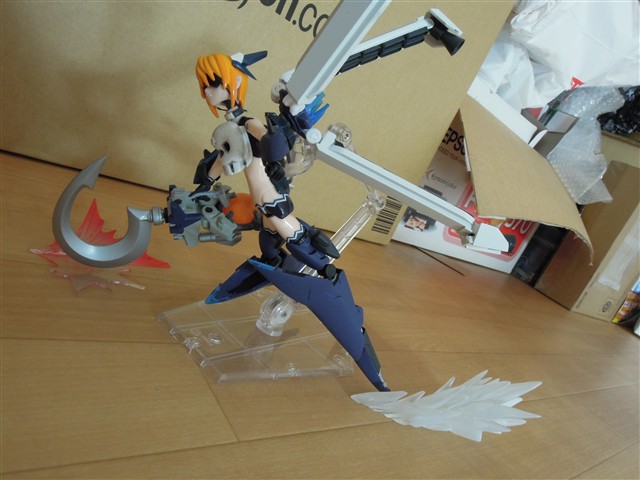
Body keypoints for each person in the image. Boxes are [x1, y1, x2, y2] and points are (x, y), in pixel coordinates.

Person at [192, 51, 388, 391]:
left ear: (231, 82)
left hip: (272, 200)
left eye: (213, 83)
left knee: (291, 235)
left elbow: (270, 143)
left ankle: (329, 281)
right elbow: (221, 161)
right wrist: (203, 188)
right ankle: (289, 272)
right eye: (205, 86)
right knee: (269, 246)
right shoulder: (234, 125)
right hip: (261, 204)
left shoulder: (247, 123)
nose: (208, 92)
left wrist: (278, 135)